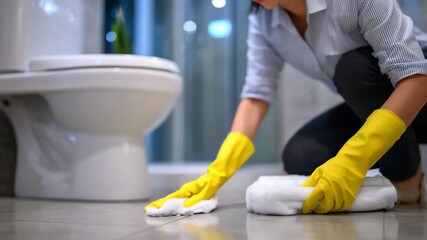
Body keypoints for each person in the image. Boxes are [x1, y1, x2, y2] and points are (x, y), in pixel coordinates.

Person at [145, 0, 427, 214]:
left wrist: (355, 157)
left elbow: (415, 77)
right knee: (302, 156)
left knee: (351, 68)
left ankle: (407, 177)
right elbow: (257, 93)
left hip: (418, 89)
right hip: (380, 101)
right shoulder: (264, 19)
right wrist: (218, 171)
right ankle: (392, 158)